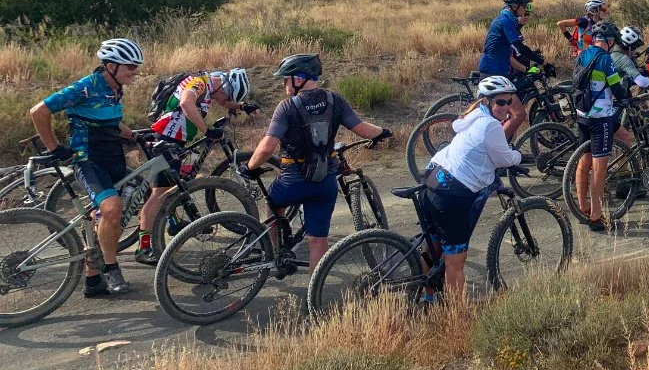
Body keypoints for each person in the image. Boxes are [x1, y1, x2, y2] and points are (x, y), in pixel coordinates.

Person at [242, 54, 391, 268]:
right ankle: (314, 294)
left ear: (299, 79)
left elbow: (266, 147)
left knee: (273, 205)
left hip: (291, 183)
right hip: (324, 184)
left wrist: (250, 168)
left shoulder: (286, 107)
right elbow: (363, 130)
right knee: (318, 240)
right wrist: (383, 132)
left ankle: (272, 254)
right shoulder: (335, 101)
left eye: (286, 79)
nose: (284, 84)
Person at [28, 38, 144, 297]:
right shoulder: (86, 87)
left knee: (104, 218)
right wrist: (55, 148)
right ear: (111, 65)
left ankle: (92, 280)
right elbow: (39, 112)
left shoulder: (116, 87)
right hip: (89, 160)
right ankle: (111, 267)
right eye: (131, 67)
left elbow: (109, 120)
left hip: (113, 156)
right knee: (112, 210)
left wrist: (134, 135)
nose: (135, 72)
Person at [134, 68, 254, 264]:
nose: (224, 100)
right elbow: (186, 102)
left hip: (175, 141)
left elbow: (223, 100)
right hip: (166, 140)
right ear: (223, 85)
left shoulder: (210, 87)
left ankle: (172, 222)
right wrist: (206, 130)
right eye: (226, 94)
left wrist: (242, 106)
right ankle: (144, 247)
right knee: (159, 195)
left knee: (173, 187)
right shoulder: (198, 83)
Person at [419, 75, 524, 298]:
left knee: (433, 246)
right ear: (486, 101)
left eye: (510, 101)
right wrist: (518, 156)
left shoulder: (473, 116)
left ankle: (429, 297)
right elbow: (504, 158)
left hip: (433, 179)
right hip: (451, 195)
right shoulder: (491, 126)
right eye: (501, 102)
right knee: (455, 261)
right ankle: (458, 319)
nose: (506, 108)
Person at [572, 21, 629, 232]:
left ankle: (583, 207)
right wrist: (626, 93)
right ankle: (596, 217)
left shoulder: (582, 55)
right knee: (599, 167)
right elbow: (616, 87)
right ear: (608, 40)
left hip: (582, 114)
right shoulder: (606, 59)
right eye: (613, 40)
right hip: (600, 117)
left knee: (584, 161)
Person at [479, 0, 540, 139]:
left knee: (504, 113)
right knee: (518, 114)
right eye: (524, 6)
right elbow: (519, 47)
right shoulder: (505, 21)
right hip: (494, 71)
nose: (526, 9)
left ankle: (500, 146)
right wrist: (541, 61)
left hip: (498, 69)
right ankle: (499, 148)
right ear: (514, 6)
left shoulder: (507, 18)